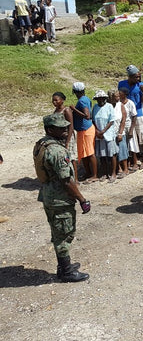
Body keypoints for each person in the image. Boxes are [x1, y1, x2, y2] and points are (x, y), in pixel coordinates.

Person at [34, 114, 91, 282]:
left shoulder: (42, 144)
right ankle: (66, 271)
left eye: (66, 126)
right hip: (59, 198)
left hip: (49, 195)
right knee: (64, 233)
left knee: (58, 230)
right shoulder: (57, 151)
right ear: (50, 130)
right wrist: (82, 199)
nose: (66, 129)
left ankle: (64, 266)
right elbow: (66, 180)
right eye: (61, 127)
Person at [70, 82, 98, 183]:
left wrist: (74, 109)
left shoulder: (82, 101)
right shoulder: (85, 99)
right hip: (83, 129)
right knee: (84, 153)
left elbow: (87, 115)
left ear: (74, 92)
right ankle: (88, 173)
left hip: (86, 129)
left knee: (90, 153)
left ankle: (94, 175)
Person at [92, 90, 118, 182]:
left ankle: (113, 173)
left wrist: (103, 131)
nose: (100, 100)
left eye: (102, 98)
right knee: (102, 155)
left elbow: (111, 121)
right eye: (98, 99)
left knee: (112, 154)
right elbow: (93, 121)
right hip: (99, 134)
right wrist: (97, 131)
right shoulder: (95, 107)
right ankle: (104, 173)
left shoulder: (109, 106)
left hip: (108, 133)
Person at [52, 92, 77, 184]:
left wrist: (68, 141)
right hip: (59, 138)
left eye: (56, 100)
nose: (54, 102)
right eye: (53, 100)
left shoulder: (66, 110)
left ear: (62, 100)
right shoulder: (56, 111)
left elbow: (71, 126)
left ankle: (76, 179)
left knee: (71, 158)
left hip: (68, 137)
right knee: (62, 158)